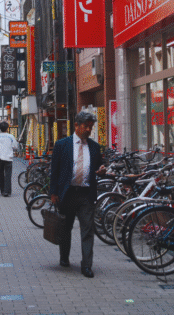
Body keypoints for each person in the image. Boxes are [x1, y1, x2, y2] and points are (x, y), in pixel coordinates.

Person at [49, 110, 106, 278]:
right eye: (86, 126)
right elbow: (55, 171)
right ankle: (64, 257)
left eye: (91, 127)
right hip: (67, 193)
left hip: (86, 194)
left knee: (88, 229)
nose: (88, 130)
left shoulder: (95, 147)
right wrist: (53, 192)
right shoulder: (62, 145)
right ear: (76, 126)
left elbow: (99, 166)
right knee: (65, 228)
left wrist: (102, 170)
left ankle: (87, 265)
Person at [0, 121, 20, 197]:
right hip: (8, 157)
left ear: (0, 129)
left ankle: (2, 190)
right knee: (8, 174)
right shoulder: (11, 136)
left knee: (0, 174)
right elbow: (15, 147)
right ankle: (8, 191)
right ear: (7, 128)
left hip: (0, 157)